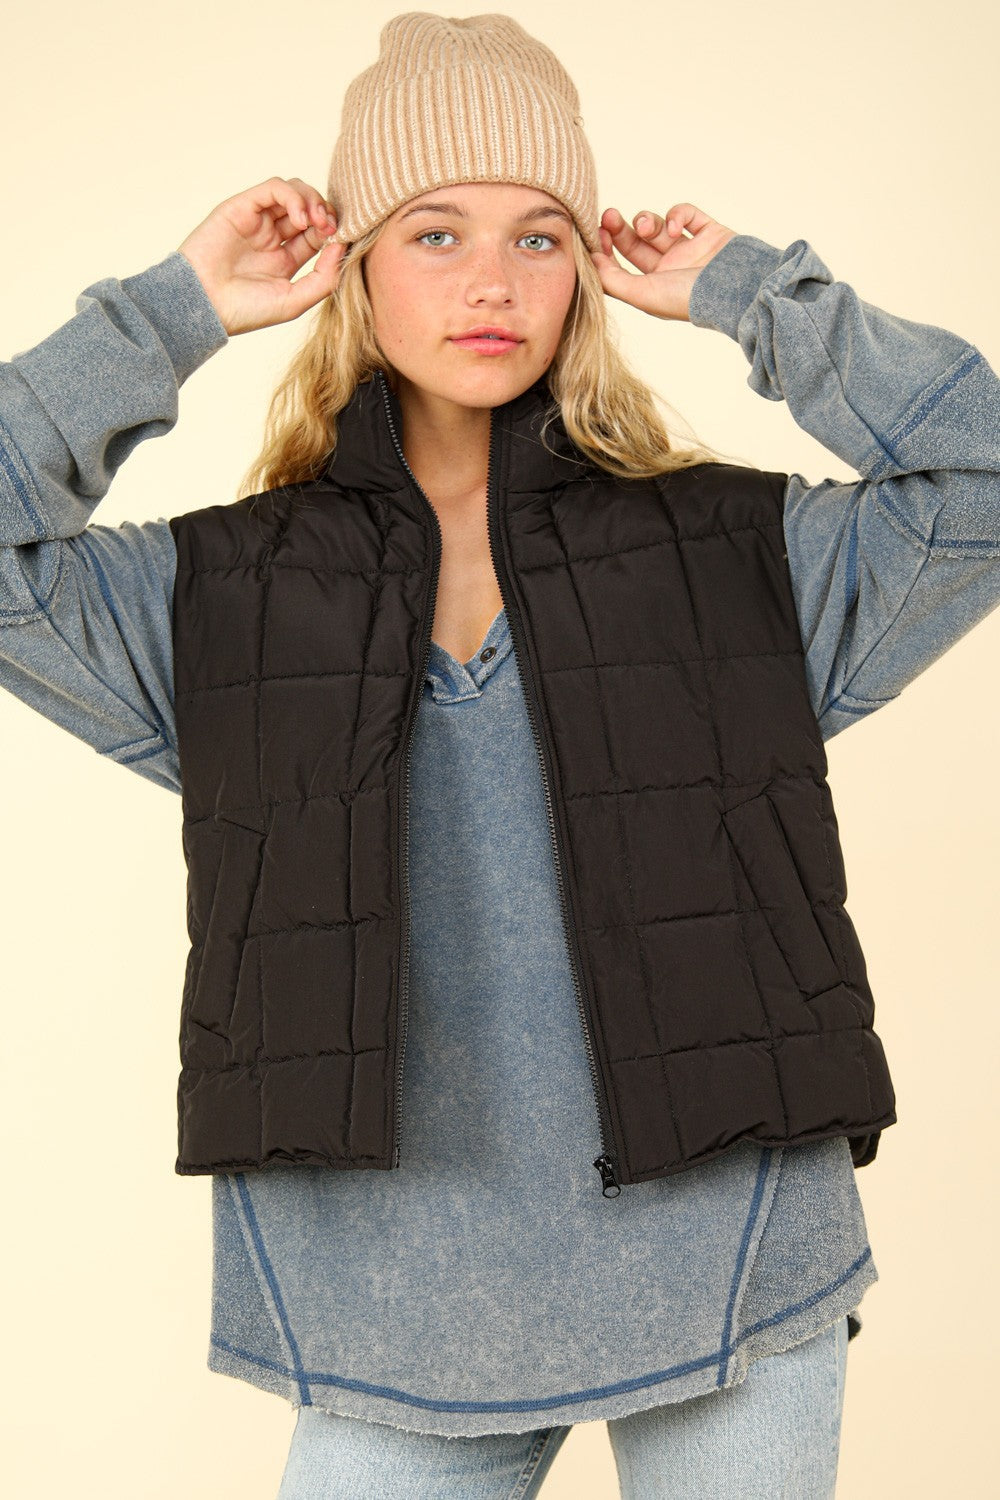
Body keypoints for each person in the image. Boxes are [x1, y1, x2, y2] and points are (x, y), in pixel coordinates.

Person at [2, 10, 997, 1499]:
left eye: (541, 235)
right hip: (381, 1291)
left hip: (730, 1256)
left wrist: (754, 295)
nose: (492, 281)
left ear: (586, 268)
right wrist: (167, 315)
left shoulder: (739, 559)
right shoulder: (222, 597)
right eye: (435, 231)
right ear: (353, 262)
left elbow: (980, 479)